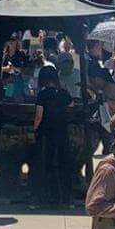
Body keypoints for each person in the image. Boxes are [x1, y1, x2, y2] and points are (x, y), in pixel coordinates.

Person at [33, 65, 73, 208]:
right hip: (62, 131)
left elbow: (39, 115)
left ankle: (49, 197)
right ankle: (65, 198)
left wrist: (34, 130)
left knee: (46, 164)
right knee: (63, 164)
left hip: (46, 133)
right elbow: (72, 104)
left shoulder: (42, 94)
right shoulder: (62, 92)